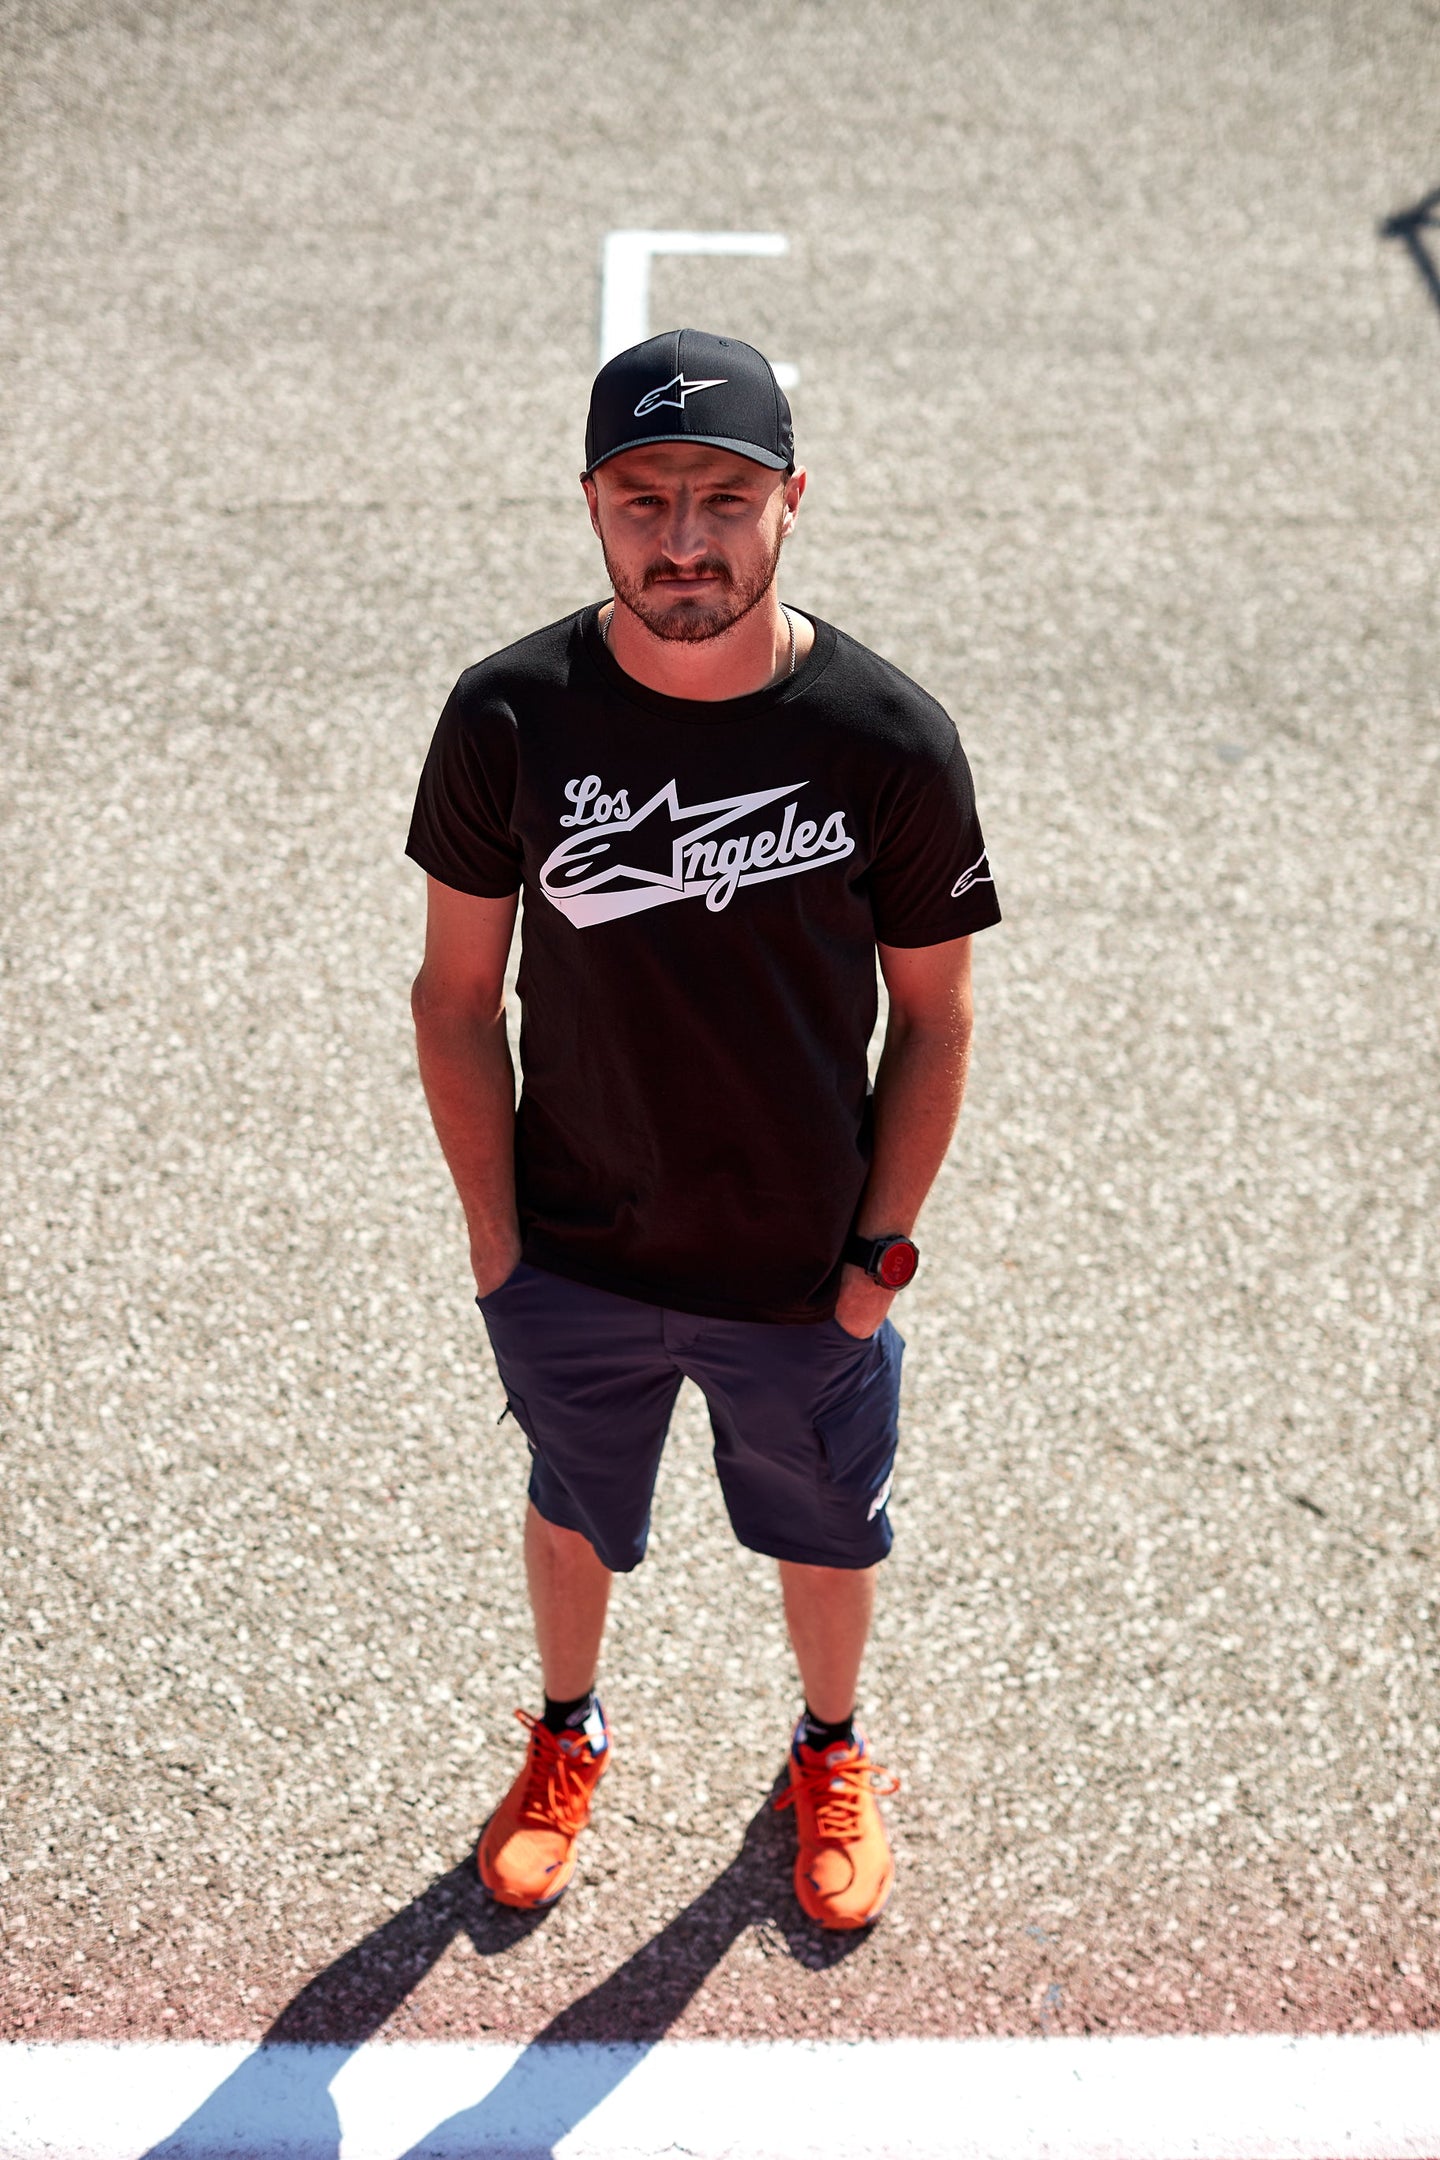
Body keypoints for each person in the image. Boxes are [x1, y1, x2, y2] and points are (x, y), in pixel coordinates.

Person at [406, 327, 1001, 1930]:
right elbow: (456, 997)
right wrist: (498, 1244)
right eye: (645, 499)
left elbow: (935, 1019)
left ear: (792, 501)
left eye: (723, 500)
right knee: (572, 1501)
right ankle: (565, 1731)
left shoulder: (887, 740)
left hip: (804, 1270)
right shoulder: (508, 719)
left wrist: (876, 1260)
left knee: (825, 1524)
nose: (684, 542)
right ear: (592, 504)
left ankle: (829, 1746)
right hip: (575, 1253)